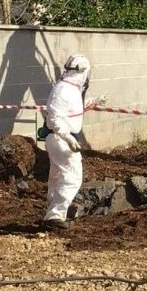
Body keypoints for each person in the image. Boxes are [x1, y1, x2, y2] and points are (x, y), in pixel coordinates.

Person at [43, 54, 92, 230]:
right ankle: (55, 215)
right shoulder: (63, 90)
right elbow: (55, 118)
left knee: (57, 177)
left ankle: (54, 210)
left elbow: (73, 110)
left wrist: (94, 102)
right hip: (61, 138)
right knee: (72, 177)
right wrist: (68, 137)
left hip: (60, 138)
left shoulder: (70, 88)